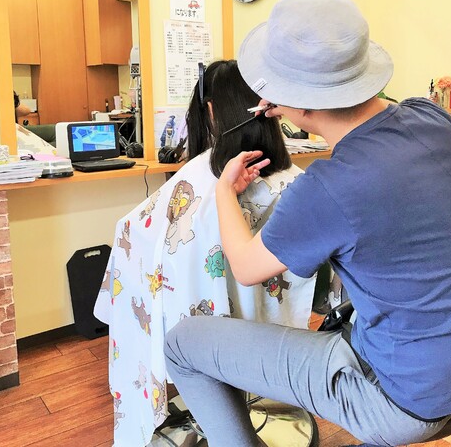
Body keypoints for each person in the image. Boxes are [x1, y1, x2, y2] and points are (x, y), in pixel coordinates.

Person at [164, 0, 451, 447]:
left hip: (407, 400)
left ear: (290, 101)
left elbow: (246, 267)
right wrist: (296, 99)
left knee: (182, 343)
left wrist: (223, 192)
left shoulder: (329, 187)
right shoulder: (432, 117)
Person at [94, 60, 317, 447]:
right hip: (279, 340)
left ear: (210, 111)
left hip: (208, 338)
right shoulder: (300, 181)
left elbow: (134, 238)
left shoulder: (199, 180)